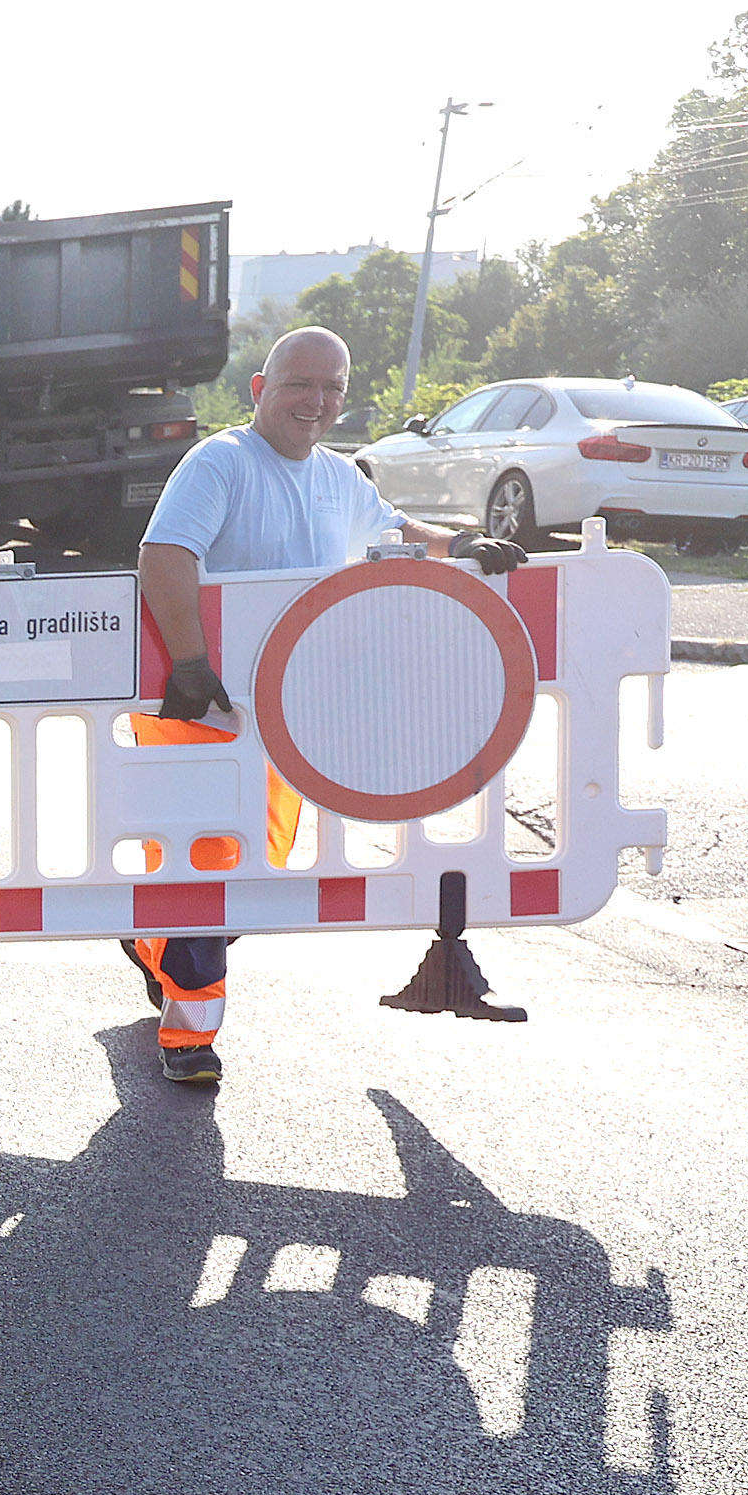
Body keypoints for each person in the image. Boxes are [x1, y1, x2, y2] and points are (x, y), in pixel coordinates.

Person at [125, 325, 522, 1085]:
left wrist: (465, 545)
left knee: (251, 871)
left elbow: (398, 531)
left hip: (277, 720)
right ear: (259, 389)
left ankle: (153, 943)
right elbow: (164, 555)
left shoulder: (340, 477)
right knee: (208, 870)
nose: (316, 401)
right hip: (199, 710)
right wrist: (189, 663)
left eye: (331, 387)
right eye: (299, 384)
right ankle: (189, 1038)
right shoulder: (221, 462)